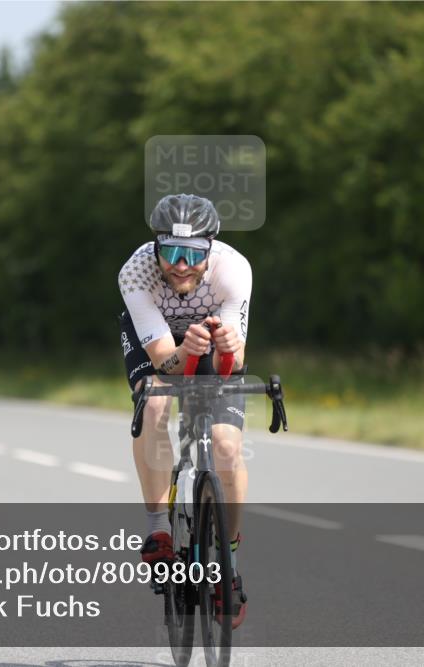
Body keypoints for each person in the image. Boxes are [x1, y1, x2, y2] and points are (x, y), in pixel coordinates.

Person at [119, 193, 252, 627]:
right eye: (169, 252)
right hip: (158, 341)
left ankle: (227, 565)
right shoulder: (137, 273)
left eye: (192, 254)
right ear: (154, 248)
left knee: (228, 448)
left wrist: (228, 348)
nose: (179, 264)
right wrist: (182, 352)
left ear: (210, 250)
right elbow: (162, 359)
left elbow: (234, 363)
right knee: (155, 403)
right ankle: (159, 526)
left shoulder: (234, 270)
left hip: (210, 337)